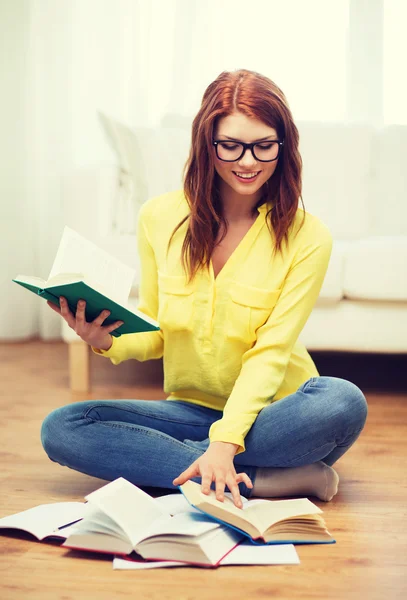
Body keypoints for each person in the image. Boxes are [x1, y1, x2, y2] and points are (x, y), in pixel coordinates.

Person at [41, 69, 368, 509]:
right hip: (191, 413)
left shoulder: (308, 237)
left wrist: (227, 441)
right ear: (206, 144)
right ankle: (264, 480)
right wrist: (107, 340)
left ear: (283, 146)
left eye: (263, 145)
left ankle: (202, 467)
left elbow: (271, 352)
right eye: (230, 145)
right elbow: (158, 330)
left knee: (341, 401)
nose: (248, 161)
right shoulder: (159, 218)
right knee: (64, 426)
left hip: (275, 416)